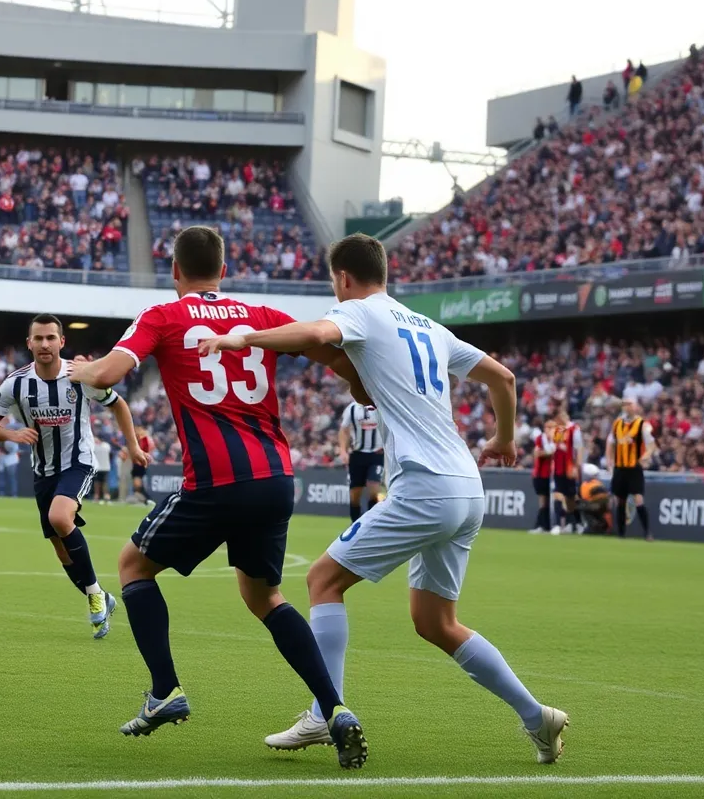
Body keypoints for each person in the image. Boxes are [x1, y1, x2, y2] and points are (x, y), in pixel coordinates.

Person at [201, 233, 568, 765]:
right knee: (435, 623)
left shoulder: (361, 313)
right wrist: (505, 438)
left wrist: (242, 339)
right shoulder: (427, 325)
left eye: (334, 281)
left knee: (322, 579)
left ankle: (325, 712)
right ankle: (538, 717)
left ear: (343, 278)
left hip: (424, 487)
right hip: (467, 487)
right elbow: (503, 377)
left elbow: (316, 332)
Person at [69, 225, 369, 769]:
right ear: (224, 270)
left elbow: (111, 372)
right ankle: (335, 708)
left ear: (175, 271)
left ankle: (164, 691)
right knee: (265, 597)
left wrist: (79, 369)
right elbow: (330, 350)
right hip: (276, 477)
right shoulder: (262, 316)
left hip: (215, 480)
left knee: (133, 566)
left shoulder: (163, 315)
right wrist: (360, 386)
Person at [0, 313, 147, 639]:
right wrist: (12, 435)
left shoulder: (80, 376)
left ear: (61, 342)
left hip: (78, 463)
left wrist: (134, 447)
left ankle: (95, 595)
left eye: (50, 338)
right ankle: (100, 596)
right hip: (43, 471)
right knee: (60, 547)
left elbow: (119, 405)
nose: (44, 344)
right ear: (29, 343)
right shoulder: (15, 383)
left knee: (59, 516)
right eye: (38, 338)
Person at [605, 396, 654, 541]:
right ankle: (621, 534)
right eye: (625, 404)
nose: (627, 407)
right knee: (620, 500)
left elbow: (651, 444)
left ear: (636, 407)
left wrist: (646, 455)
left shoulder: (642, 425)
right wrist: (609, 461)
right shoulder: (617, 424)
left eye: (630, 404)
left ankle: (647, 532)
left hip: (634, 467)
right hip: (620, 467)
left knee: (638, 499)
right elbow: (611, 443)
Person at [339, 400, 382, 522]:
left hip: (377, 454)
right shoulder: (352, 408)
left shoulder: (381, 405)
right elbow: (344, 430)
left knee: (374, 490)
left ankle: (371, 524)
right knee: (354, 496)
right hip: (357, 455)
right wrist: (343, 450)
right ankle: (355, 526)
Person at [550, 410, 583, 534]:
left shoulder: (574, 429)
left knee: (570, 497)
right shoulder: (557, 430)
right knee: (558, 494)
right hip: (558, 467)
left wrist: (576, 466)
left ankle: (575, 522)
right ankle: (558, 524)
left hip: (569, 467)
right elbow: (554, 448)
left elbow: (578, 448)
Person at [529, 419, 556, 534]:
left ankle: (545, 525)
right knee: (543, 500)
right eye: (547, 428)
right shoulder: (541, 439)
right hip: (541, 474)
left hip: (552, 474)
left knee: (550, 501)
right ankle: (542, 525)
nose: (549, 430)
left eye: (551, 428)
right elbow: (537, 454)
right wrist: (549, 452)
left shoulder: (556, 440)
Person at [129, 426, 154, 505]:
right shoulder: (140, 439)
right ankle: (145, 499)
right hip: (137, 462)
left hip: (139, 463)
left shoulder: (144, 439)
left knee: (137, 483)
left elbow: (144, 450)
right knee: (137, 482)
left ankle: (147, 498)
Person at [93, 434, 113, 503]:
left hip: (100, 467)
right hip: (104, 467)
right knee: (102, 483)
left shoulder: (95, 446)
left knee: (99, 483)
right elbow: (111, 455)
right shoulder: (107, 446)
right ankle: (104, 496)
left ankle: (99, 496)